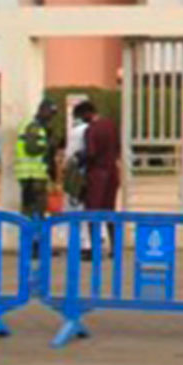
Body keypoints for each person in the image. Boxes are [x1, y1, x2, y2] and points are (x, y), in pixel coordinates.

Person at [13, 100, 57, 262]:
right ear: (42, 110)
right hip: (32, 176)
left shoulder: (33, 126)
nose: (51, 117)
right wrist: (48, 145)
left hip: (32, 176)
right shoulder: (34, 127)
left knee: (33, 212)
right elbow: (32, 149)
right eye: (50, 113)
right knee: (35, 212)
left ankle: (33, 245)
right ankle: (34, 246)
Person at [78, 101, 122, 256]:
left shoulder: (91, 130)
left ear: (87, 113)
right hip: (112, 173)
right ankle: (115, 247)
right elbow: (117, 147)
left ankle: (95, 248)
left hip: (97, 175)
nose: (82, 120)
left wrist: (80, 160)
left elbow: (91, 153)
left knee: (93, 212)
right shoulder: (110, 125)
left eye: (82, 116)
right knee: (110, 211)